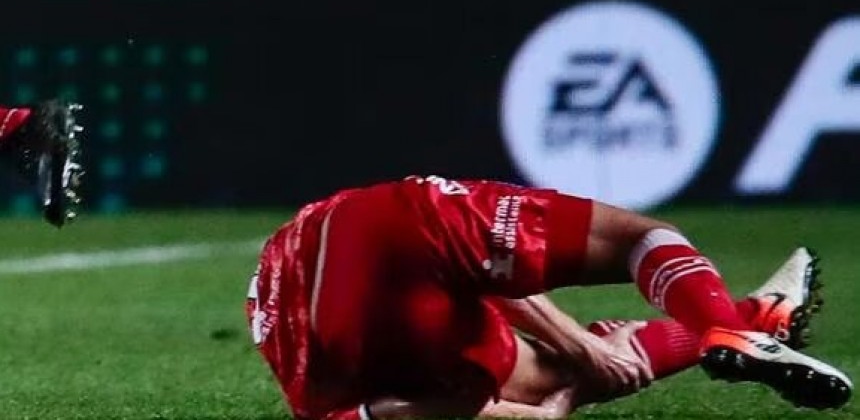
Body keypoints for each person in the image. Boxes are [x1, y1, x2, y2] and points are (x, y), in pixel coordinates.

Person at [245, 175, 852, 419]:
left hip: (332, 352)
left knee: (548, 375)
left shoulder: (362, 385)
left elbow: (421, 411)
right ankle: (738, 326)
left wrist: (574, 373)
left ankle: (750, 321)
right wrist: (581, 359)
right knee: (641, 238)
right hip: (369, 226)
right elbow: (482, 276)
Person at [0, 100, 84, 227]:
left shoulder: (35, 128)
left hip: (31, 123)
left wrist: (56, 202)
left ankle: (58, 203)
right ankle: (57, 203)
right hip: (22, 129)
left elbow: (59, 151)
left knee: (57, 152)